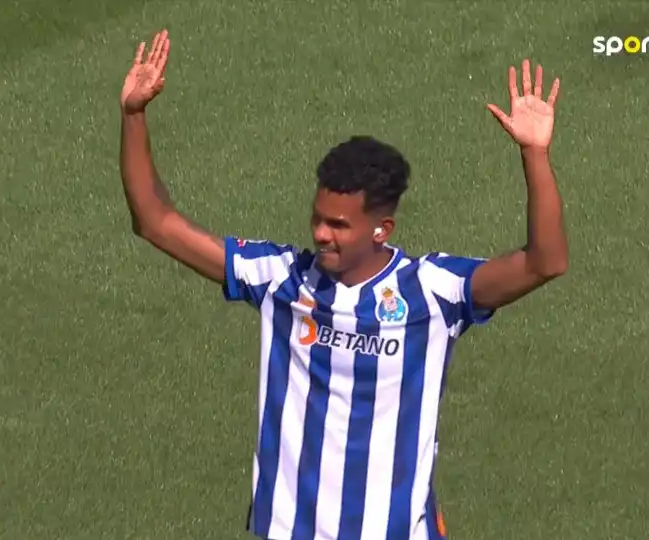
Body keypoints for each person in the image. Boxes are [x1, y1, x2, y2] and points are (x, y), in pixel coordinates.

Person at [119, 29, 567, 540]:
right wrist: (134, 115)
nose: (320, 233)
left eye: (338, 225)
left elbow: (544, 263)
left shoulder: (432, 292)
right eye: (318, 218)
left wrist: (534, 155)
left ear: (382, 230)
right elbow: (154, 221)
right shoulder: (280, 279)